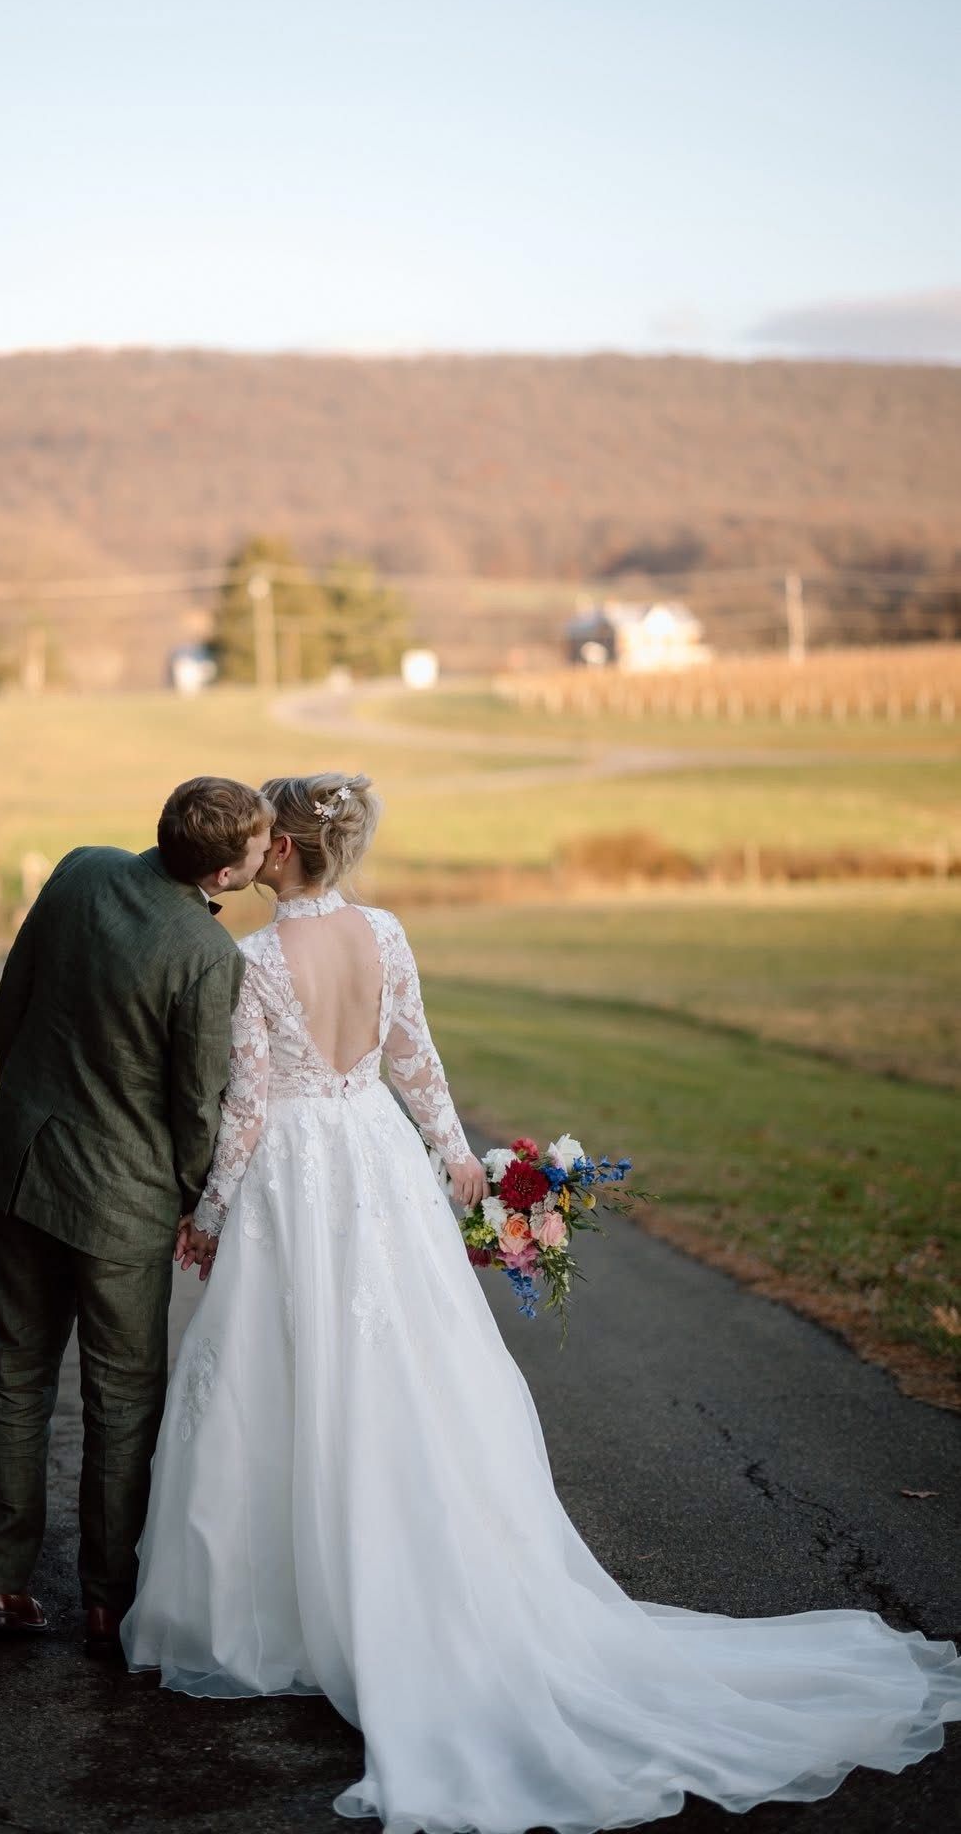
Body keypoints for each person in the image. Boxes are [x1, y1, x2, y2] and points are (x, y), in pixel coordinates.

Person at [123, 771, 961, 1834]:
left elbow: (245, 1105)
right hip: (374, 1156)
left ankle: (276, 1612)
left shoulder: (251, 962)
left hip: (294, 1171)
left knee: (277, 1372)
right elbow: (418, 1063)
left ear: (279, 849)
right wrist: (452, 1158)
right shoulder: (384, 932)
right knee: (399, 1370)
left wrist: (211, 1208)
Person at [0, 775, 271, 1653]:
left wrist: (28, 1105)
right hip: (125, 1203)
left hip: (26, 1165)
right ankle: (107, 1602)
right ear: (220, 875)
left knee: (16, 1378)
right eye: (255, 847)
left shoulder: (80, 870)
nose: (265, 852)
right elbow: (197, 1105)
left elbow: (10, 1004)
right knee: (123, 1400)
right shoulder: (210, 957)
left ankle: (1, 1585)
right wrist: (190, 1194)